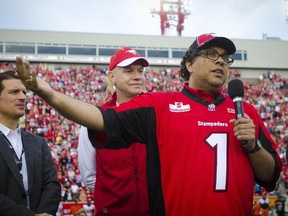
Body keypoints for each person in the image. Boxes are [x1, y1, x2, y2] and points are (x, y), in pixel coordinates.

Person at [15, 33, 282, 216]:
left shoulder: (245, 109)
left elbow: (271, 176)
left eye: (226, 57)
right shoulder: (161, 104)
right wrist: (46, 92)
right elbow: (101, 119)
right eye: (211, 54)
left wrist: (254, 146)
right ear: (188, 63)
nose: (221, 61)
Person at [77, 47, 150, 215]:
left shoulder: (159, 114)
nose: (137, 76)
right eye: (129, 71)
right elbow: (89, 177)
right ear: (111, 76)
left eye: (140, 71)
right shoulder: (95, 119)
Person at [0, 71, 61, 215]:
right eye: (14, 92)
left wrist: (44, 213)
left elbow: (51, 184)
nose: (22, 97)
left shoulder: (38, 143)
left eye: (23, 92)